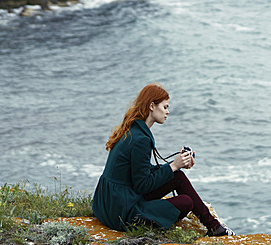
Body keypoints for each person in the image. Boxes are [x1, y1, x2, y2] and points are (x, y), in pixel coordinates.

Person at [92, 83, 233, 236]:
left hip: (109, 204)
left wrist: (177, 165)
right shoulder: (141, 140)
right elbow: (142, 185)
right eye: (165, 107)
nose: (168, 111)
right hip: (122, 213)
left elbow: (140, 171)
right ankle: (215, 228)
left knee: (177, 176)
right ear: (152, 106)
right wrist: (173, 166)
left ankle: (215, 227)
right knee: (186, 202)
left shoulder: (133, 129)